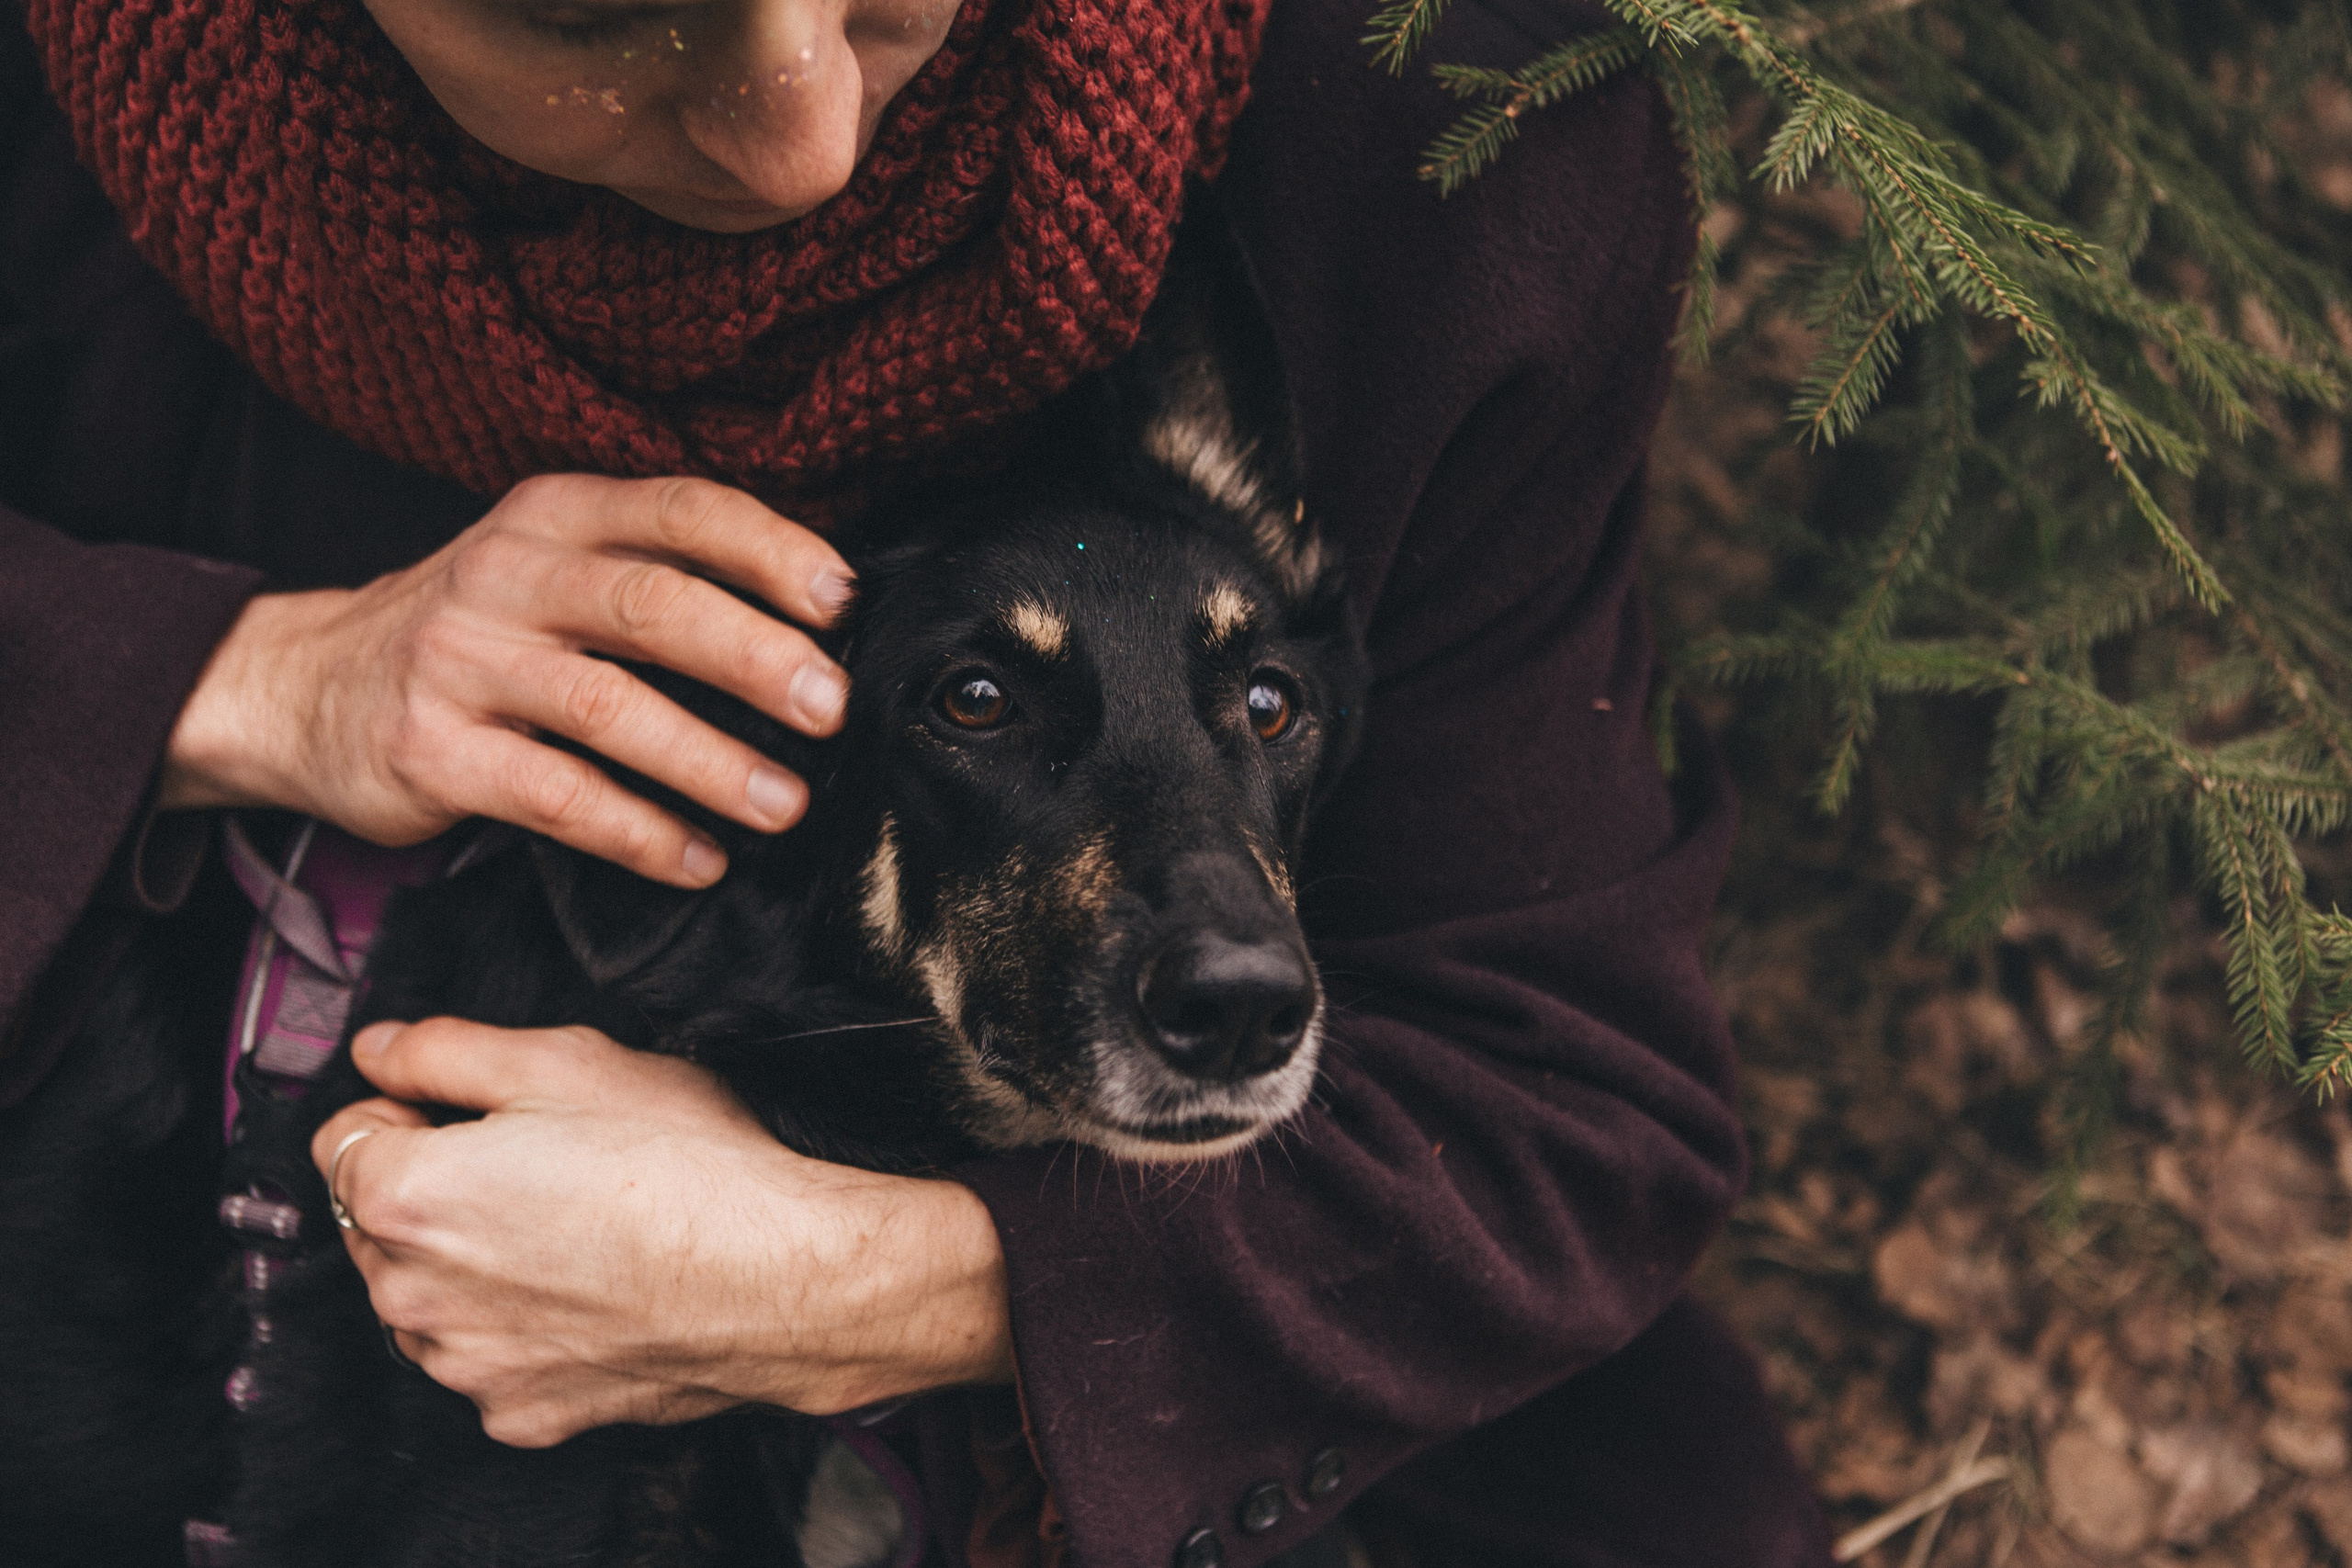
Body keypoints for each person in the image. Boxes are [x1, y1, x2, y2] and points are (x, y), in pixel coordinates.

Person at [0, 0, 1836, 1562]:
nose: (797, 135)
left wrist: (867, 1279)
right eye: (595, 17)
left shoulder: (1435, 114)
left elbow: (1563, 1102)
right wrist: (248, 677)